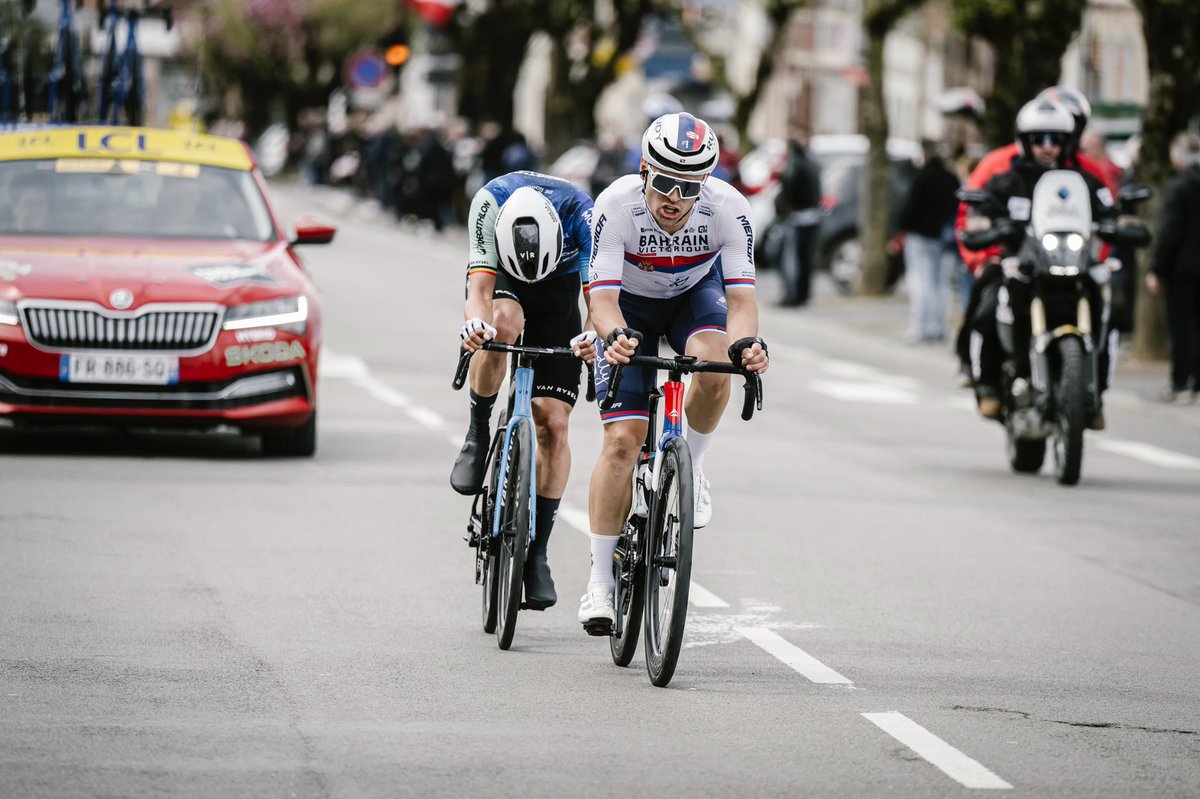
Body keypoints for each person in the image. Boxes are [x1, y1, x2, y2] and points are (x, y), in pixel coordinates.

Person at [578, 112, 769, 632]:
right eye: (663, 182)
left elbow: (741, 300)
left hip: (691, 297)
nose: (674, 197)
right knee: (622, 441)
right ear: (644, 170)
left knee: (716, 364)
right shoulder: (616, 205)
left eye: (688, 186)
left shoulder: (729, 209)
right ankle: (599, 583)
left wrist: (748, 344)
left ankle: (695, 467)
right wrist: (614, 337)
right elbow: (602, 300)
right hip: (628, 307)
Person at [451, 173, 598, 610]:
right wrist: (476, 326)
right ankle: (479, 432)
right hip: (505, 284)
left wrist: (591, 339)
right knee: (502, 324)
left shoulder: (583, 216)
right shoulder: (488, 203)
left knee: (553, 424)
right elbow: (478, 289)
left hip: (559, 292)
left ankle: (537, 553)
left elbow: (599, 305)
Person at [967, 99, 1118, 423]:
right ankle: (988, 384)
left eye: (1055, 139)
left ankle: (1095, 393)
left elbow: (1109, 211)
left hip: (1072, 261)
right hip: (1021, 263)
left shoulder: (1084, 180)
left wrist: (1121, 224)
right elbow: (982, 211)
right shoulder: (1008, 181)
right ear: (1025, 141)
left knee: (1108, 307)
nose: (1047, 147)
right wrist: (984, 226)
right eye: (1039, 139)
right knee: (988, 299)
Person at [1146, 132, 1200, 402]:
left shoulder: (1179, 187)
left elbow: (1169, 232)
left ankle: (1181, 383)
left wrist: (1156, 268)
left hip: (1182, 268)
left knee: (1181, 327)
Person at [900, 140, 960, 342]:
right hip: (944, 240)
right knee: (941, 283)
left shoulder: (922, 179)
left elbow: (910, 207)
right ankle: (939, 327)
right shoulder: (952, 180)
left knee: (921, 282)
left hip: (921, 236)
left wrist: (903, 228)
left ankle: (920, 327)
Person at [775, 128, 822, 307]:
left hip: (795, 217)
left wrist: (783, 206)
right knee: (806, 260)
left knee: (789, 258)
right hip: (813, 216)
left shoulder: (794, 164)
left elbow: (788, 186)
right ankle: (803, 294)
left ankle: (791, 296)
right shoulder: (812, 163)